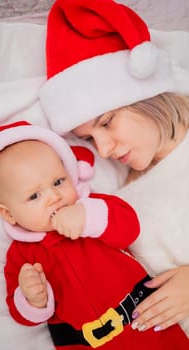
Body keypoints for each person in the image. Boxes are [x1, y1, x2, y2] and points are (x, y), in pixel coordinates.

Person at [39, 0, 189, 337]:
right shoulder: (116, 202)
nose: (104, 149)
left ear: (147, 96)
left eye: (106, 122)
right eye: (90, 140)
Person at [0, 120, 189, 349]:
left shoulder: (93, 209)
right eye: (34, 196)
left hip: (148, 327)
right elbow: (23, 316)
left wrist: (87, 218)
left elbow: (129, 228)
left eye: (58, 182)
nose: (54, 197)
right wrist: (32, 299)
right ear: (9, 214)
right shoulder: (22, 256)